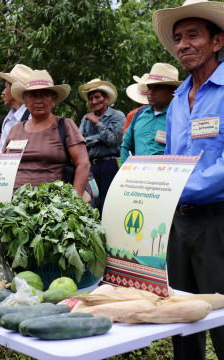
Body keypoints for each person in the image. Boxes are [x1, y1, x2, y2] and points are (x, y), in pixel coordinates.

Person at [153, 1, 224, 358]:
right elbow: (172, 160)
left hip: (217, 223)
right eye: (178, 38)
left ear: (217, 41)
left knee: (223, 315)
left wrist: (175, 188)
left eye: (193, 35)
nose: (182, 44)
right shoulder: (178, 98)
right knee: (180, 316)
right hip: (177, 224)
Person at [4, 70, 90, 196]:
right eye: (32, 95)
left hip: (52, 207)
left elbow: (83, 164)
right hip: (14, 207)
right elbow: (3, 166)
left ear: (53, 100)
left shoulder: (65, 125)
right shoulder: (15, 129)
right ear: (25, 100)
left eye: (44, 95)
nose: (38, 100)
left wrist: (74, 202)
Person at [78, 79, 125, 215]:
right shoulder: (85, 118)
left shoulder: (117, 116)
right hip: (89, 166)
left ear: (106, 99)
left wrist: (97, 123)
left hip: (108, 166)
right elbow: (80, 142)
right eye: (91, 98)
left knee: (107, 204)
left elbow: (112, 140)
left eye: (97, 97)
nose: (94, 101)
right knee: (89, 203)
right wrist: (98, 138)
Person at [121, 63, 182, 163]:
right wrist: (125, 170)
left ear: (173, 91)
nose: (150, 92)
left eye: (158, 88)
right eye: (149, 87)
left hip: (166, 176)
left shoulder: (180, 116)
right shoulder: (139, 114)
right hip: (138, 175)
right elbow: (126, 146)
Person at [0, 64, 33, 152]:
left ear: (14, 90)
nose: (3, 93)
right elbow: (1, 151)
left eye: (5, 87)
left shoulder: (31, 117)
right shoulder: (7, 119)